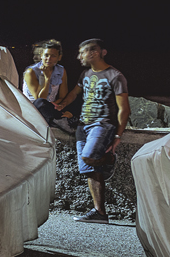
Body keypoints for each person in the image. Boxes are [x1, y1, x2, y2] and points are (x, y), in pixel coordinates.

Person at [57, 39, 129, 223]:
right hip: (83, 125)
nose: (79, 56)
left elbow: (124, 108)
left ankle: (109, 159)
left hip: (102, 124)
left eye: (82, 52)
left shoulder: (115, 76)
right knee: (89, 169)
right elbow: (75, 92)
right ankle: (100, 213)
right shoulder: (85, 74)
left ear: (95, 53)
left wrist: (118, 135)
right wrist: (62, 104)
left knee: (89, 157)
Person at [21, 39, 74, 132]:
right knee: (41, 103)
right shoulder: (31, 72)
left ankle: (59, 119)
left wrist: (58, 105)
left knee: (74, 98)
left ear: (59, 58)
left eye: (53, 56)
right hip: (34, 108)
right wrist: (47, 78)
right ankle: (60, 119)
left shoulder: (61, 70)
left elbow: (63, 96)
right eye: (46, 55)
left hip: (51, 106)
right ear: (41, 56)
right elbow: (40, 98)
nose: (49, 59)